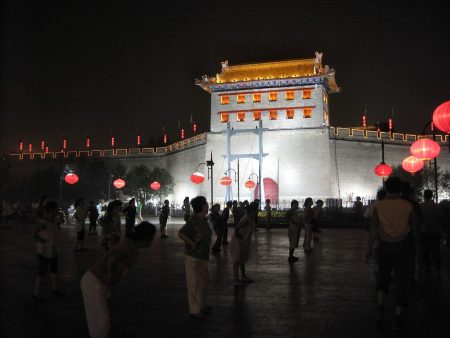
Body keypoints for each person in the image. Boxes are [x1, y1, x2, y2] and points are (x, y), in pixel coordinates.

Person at [81, 222, 156, 338]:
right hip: (95, 281)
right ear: (147, 237)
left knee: (100, 320)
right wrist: (110, 276)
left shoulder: (131, 246)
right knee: (100, 323)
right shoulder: (129, 247)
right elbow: (112, 259)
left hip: (97, 281)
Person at [366, 177, 417, 330]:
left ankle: (380, 311)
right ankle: (397, 316)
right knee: (402, 281)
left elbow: (374, 229)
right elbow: (414, 229)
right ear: (400, 189)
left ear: (386, 188)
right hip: (403, 247)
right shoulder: (408, 206)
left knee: (383, 277)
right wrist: (417, 248)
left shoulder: (378, 206)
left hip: (385, 246)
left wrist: (369, 248)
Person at [178, 196, 212, 319]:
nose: (208, 206)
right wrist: (192, 243)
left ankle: (201, 305)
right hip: (193, 257)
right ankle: (194, 310)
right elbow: (181, 233)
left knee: (203, 282)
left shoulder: (203, 219)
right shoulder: (194, 221)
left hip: (203, 256)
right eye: (206, 204)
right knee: (194, 283)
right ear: (202, 206)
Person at [33, 201, 66, 301]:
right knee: (42, 272)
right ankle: (35, 293)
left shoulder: (54, 220)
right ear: (52, 210)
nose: (57, 210)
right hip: (43, 251)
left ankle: (54, 290)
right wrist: (44, 241)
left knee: (54, 270)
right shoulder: (44, 221)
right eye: (56, 209)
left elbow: (55, 231)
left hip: (52, 250)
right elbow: (35, 235)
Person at [229, 202, 258, 287]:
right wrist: (240, 237)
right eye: (255, 210)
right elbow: (237, 228)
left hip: (243, 241)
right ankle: (236, 279)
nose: (256, 212)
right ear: (252, 211)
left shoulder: (249, 218)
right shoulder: (246, 218)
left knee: (241, 259)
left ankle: (243, 276)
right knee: (237, 260)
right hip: (239, 242)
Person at [419, 189, 443, 274]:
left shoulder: (421, 206)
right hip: (435, 231)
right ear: (432, 195)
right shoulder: (436, 206)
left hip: (424, 232)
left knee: (425, 251)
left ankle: (427, 267)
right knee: (435, 250)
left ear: (424, 196)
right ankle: (437, 266)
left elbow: (419, 219)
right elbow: (440, 218)